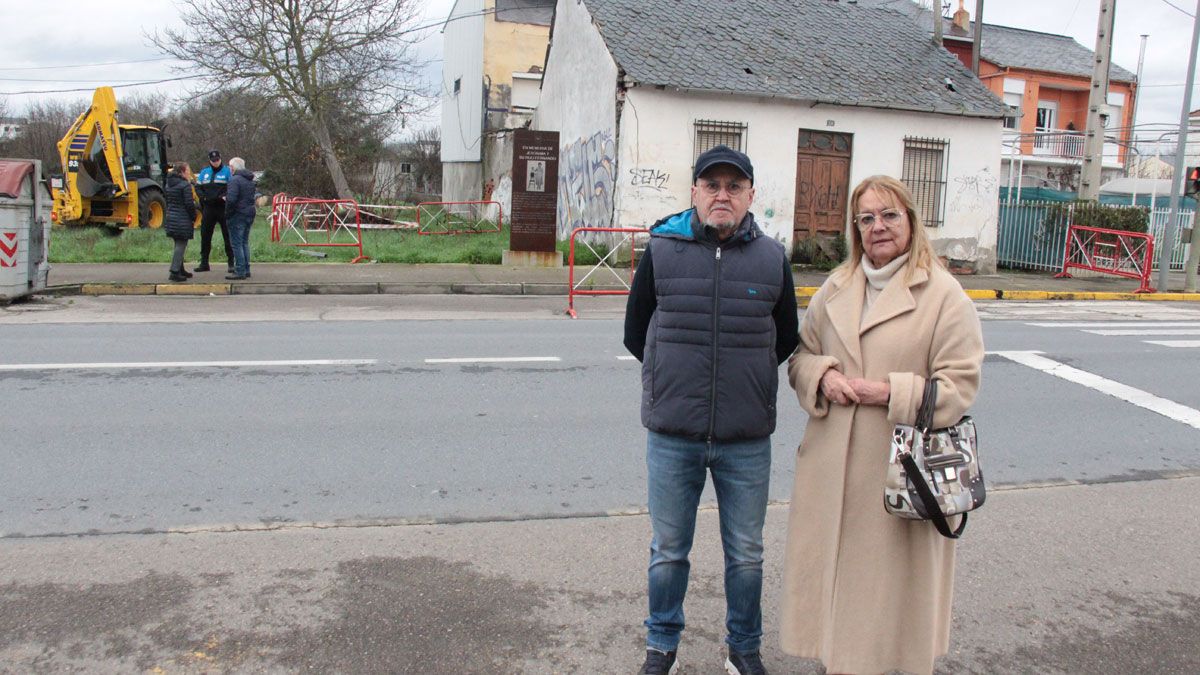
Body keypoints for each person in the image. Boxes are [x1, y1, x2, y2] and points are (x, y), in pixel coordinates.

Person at [781, 175, 984, 675]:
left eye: (889, 215)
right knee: (839, 591)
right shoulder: (837, 285)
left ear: (911, 220)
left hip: (902, 472)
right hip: (833, 469)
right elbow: (801, 355)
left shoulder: (944, 295)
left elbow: (959, 387)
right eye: (866, 218)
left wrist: (887, 391)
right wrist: (822, 376)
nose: (878, 227)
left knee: (890, 602)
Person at [624, 145, 799, 675]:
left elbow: (785, 338)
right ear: (695, 192)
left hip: (744, 438)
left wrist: (743, 387)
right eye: (712, 185)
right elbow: (637, 333)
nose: (722, 195)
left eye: (734, 186)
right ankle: (662, 647)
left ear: (750, 196)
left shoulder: (772, 259)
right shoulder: (662, 251)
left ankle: (743, 649)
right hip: (674, 432)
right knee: (669, 550)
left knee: (746, 554)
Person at [194, 149, 234, 273]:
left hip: (222, 207)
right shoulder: (204, 172)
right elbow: (198, 187)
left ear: (220, 158)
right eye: (213, 160)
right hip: (208, 208)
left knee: (227, 236)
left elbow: (231, 187)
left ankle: (231, 263)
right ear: (210, 160)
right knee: (205, 235)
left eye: (217, 160)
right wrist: (203, 198)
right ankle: (204, 262)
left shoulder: (227, 171)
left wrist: (220, 197)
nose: (216, 162)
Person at [164, 161, 197, 282]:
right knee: (181, 245)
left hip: (171, 217)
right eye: (188, 171)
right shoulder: (184, 185)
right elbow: (189, 204)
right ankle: (174, 271)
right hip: (182, 218)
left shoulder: (169, 184)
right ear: (182, 172)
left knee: (178, 243)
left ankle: (180, 269)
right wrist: (193, 216)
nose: (189, 173)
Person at [224, 156, 256, 280]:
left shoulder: (234, 180)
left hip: (237, 214)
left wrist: (227, 213)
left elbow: (231, 199)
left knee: (237, 244)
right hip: (249, 212)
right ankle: (246, 268)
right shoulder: (250, 180)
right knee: (244, 242)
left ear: (232, 167)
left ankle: (240, 270)